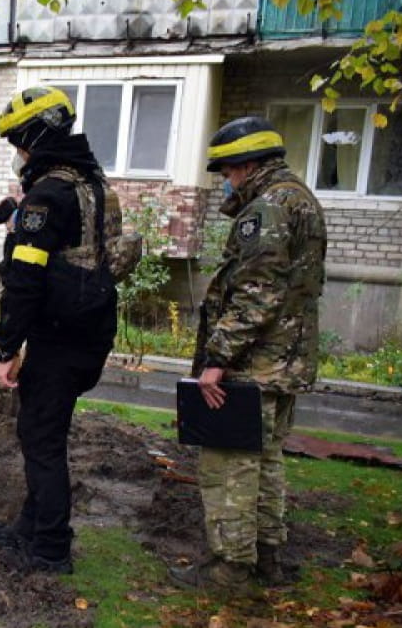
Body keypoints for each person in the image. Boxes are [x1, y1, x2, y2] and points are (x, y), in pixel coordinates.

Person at [0, 86, 140, 575]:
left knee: (42, 441)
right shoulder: (92, 185)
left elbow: (26, 280)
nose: (17, 153)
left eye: (18, 142)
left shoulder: (49, 193)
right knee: (42, 434)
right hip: (89, 334)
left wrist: (7, 346)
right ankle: (28, 529)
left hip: (59, 339)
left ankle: (51, 549)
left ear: (34, 135)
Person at [168, 116, 327, 593]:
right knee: (266, 461)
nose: (225, 181)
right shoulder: (301, 198)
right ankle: (268, 560)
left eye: (228, 171)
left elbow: (256, 293)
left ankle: (231, 569)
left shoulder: (268, 208)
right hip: (283, 363)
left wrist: (217, 361)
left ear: (247, 163)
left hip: (250, 366)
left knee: (229, 465)